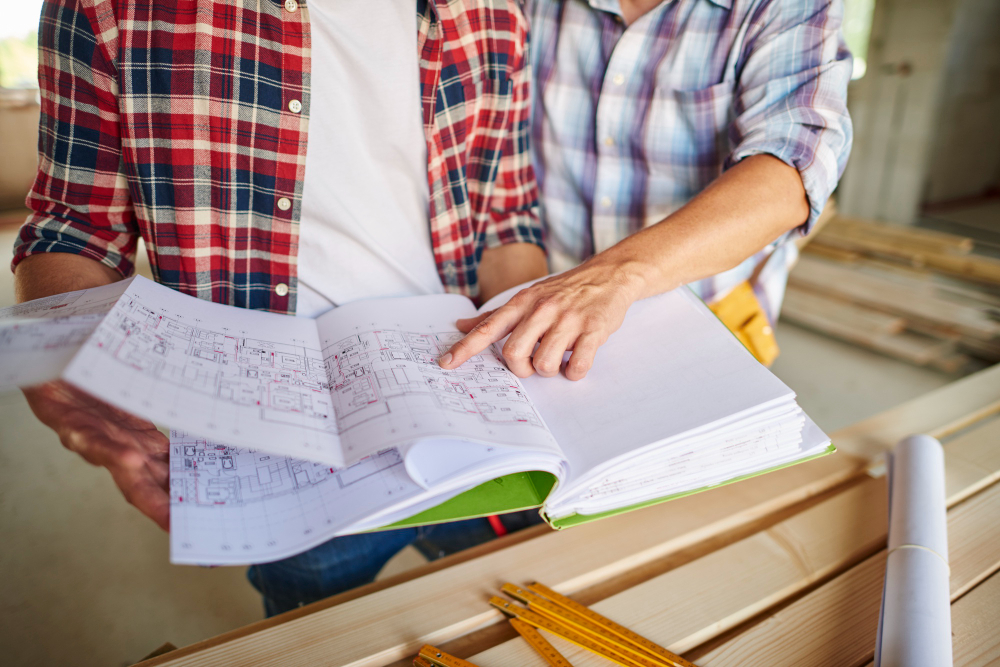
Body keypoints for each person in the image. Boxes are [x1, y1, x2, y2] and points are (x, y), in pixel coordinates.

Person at [13, 0, 547, 615]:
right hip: (275, 438)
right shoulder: (111, 9)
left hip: (467, 408)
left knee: (511, 619)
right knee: (317, 636)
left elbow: (506, 219)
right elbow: (74, 227)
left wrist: (526, 380)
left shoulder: (496, 9)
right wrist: (55, 348)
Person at [440, 0, 854, 380]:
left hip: (706, 310)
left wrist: (612, 278)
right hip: (543, 295)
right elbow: (494, 157)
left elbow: (789, 175)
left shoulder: (786, 7)